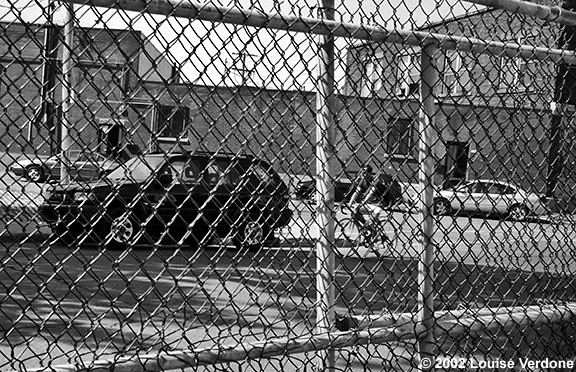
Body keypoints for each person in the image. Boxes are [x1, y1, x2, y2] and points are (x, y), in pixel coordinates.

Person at [346, 164, 394, 244]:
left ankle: (377, 235)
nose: (362, 175)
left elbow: (370, 194)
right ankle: (369, 230)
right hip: (368, 204)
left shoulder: (376, 181)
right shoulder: (362, 181)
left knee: (371, 221)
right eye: (361, 172)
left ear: (370, 174)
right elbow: (356, 193)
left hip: (378, 205)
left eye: (364, 173)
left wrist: (361, 203)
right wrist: (350, 203)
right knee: (354, 213)